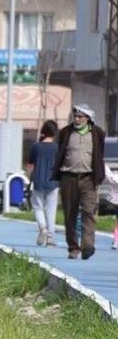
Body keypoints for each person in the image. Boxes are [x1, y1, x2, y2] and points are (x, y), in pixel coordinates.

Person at [52, 104, 107, 260]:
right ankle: (73, 247)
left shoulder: (98, 133)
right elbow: (60, 152)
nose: (76, 119)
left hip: (89, 178)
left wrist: (99, 174)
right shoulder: (65, 132)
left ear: (88, 118)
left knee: (88, 212)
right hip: (68, 177)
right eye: (75, 116)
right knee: (70, 214)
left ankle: (87, 245)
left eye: (80, 116)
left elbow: (99, 154)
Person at [27, 121, 59, 247]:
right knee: (51, 210)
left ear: (43, 131)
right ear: (55, 132)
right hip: (53, 182)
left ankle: (43, 228)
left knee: (38, 207)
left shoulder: (36, 147)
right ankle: (50, 238)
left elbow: (30, 164)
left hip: (38, 180)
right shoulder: (57, 148)